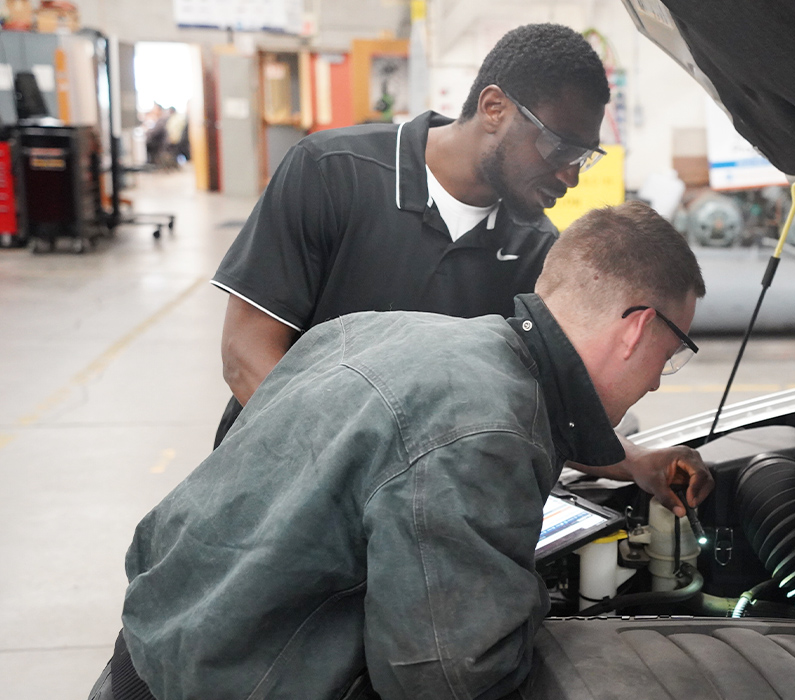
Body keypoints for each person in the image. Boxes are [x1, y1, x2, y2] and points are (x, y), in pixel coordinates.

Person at [89, 201, 707, 700]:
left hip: (152, 651)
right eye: (673, 351)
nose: (658, 377)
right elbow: (446, 677)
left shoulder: (387, 330)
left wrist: (628, 460)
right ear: (636, 329)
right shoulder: (488, 432)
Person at [211, 23, 707, 517]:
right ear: (495, 108)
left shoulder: (536, 250)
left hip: (395, 511)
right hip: (274, 488)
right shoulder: (332, 172)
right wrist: (355, 470)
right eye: (560, 148)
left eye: (584, 157)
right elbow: (246, 353)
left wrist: (635, 460)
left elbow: (535, 407)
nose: (571, 176)